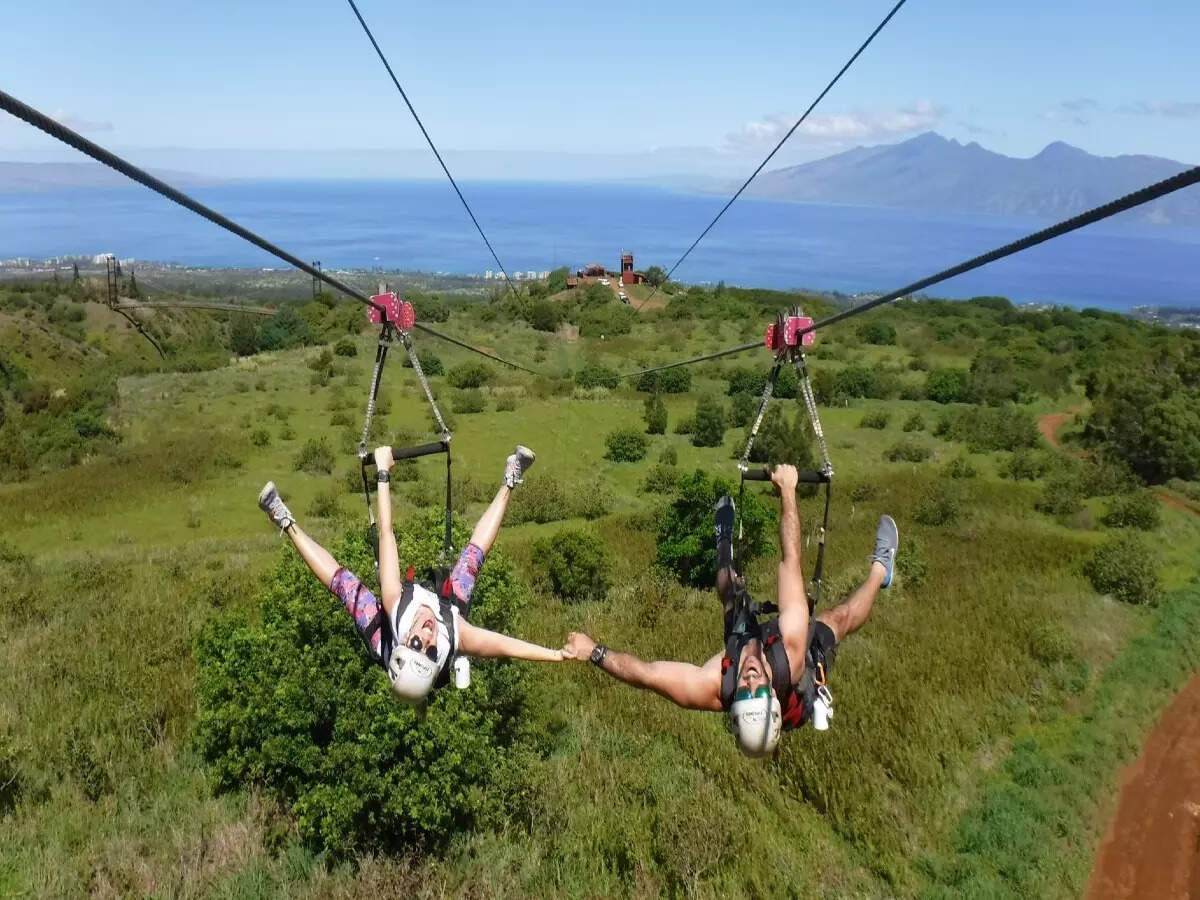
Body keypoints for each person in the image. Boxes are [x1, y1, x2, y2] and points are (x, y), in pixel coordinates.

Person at [562, 464, 899, 757]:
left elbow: (647, 675)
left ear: (732, 701)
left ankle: (723, 538)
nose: (750, 680)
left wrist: (594, 651)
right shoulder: (792, 654)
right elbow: (790, 560)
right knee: (837, 619)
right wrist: (788, 491)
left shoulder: (712, 686)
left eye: (744, 692)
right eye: (761, 691)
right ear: (773, 694)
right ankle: (882, 570)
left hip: (748, 643)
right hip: (800, 667)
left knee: (728, 589)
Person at [257, 444, 563, 704]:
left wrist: (383, 471)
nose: (428, 635)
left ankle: (282, 519)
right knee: (472, 559)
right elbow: (510, 646)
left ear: (406, 640)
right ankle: (511, 478)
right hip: (449, 613)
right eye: (432, 650)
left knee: (346, 586)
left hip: (387, 629)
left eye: (418, 643)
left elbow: (386, 534)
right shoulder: (454, 637)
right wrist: (559, 655)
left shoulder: (395, 609)